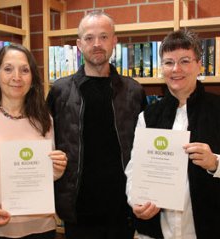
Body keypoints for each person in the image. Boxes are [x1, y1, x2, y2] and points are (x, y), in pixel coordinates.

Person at [47, 10, 147, 239]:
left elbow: (144, 150)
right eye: (89, 38)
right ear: (79, 44)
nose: (97, 44)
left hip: (122, 209)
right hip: (77, 209)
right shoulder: (59, 91)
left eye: (103, 36)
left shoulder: (134, 91)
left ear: (114, 41)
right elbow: (45, 144)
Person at [125, 28, 220, 239]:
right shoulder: (148, 116)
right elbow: (134, 170)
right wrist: (136, 202)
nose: (176, 69)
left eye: (185, 61)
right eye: (169, 62)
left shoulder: (217, 110)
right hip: (157, 233)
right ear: (162, 68)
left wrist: (215, 163)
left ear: (199, 65)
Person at [0, 43, 68, 239]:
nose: (17, 77)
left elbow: (43, 174)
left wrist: (56, 168)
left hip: (40, 227)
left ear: (33, 80)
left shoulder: (44, 120)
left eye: (24, 70)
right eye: (8, 69)